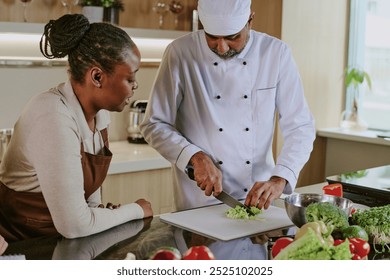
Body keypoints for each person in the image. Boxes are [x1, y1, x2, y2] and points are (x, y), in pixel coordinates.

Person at [140, 0, 316, 211]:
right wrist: (194, 156)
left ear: (250, 20)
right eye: (212, 37)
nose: (221, 47)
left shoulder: (275, 53)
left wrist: (281, 178)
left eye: (232, 37)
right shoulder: (180, 53)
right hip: (198, 200)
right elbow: (154, 123)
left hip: (259, 197)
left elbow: (300, 126)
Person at [0, 14, 153, 243]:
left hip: (63, 245)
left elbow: (88, 205)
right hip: (25, 248)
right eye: (130, 79)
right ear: (97, 76)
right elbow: (75, 225)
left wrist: (103, 215)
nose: (135, 86)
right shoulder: (53, 116)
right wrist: (137, 210)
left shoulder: (99, 115)